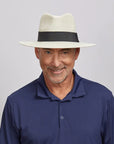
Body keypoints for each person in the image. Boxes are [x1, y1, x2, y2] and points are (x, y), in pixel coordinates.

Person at [0, 13, 114, 144]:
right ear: (37, 53)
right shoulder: (16, 104)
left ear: (76, 53)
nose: (56, 63)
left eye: (64, 52)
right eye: (48, 52)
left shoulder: (103, 99)